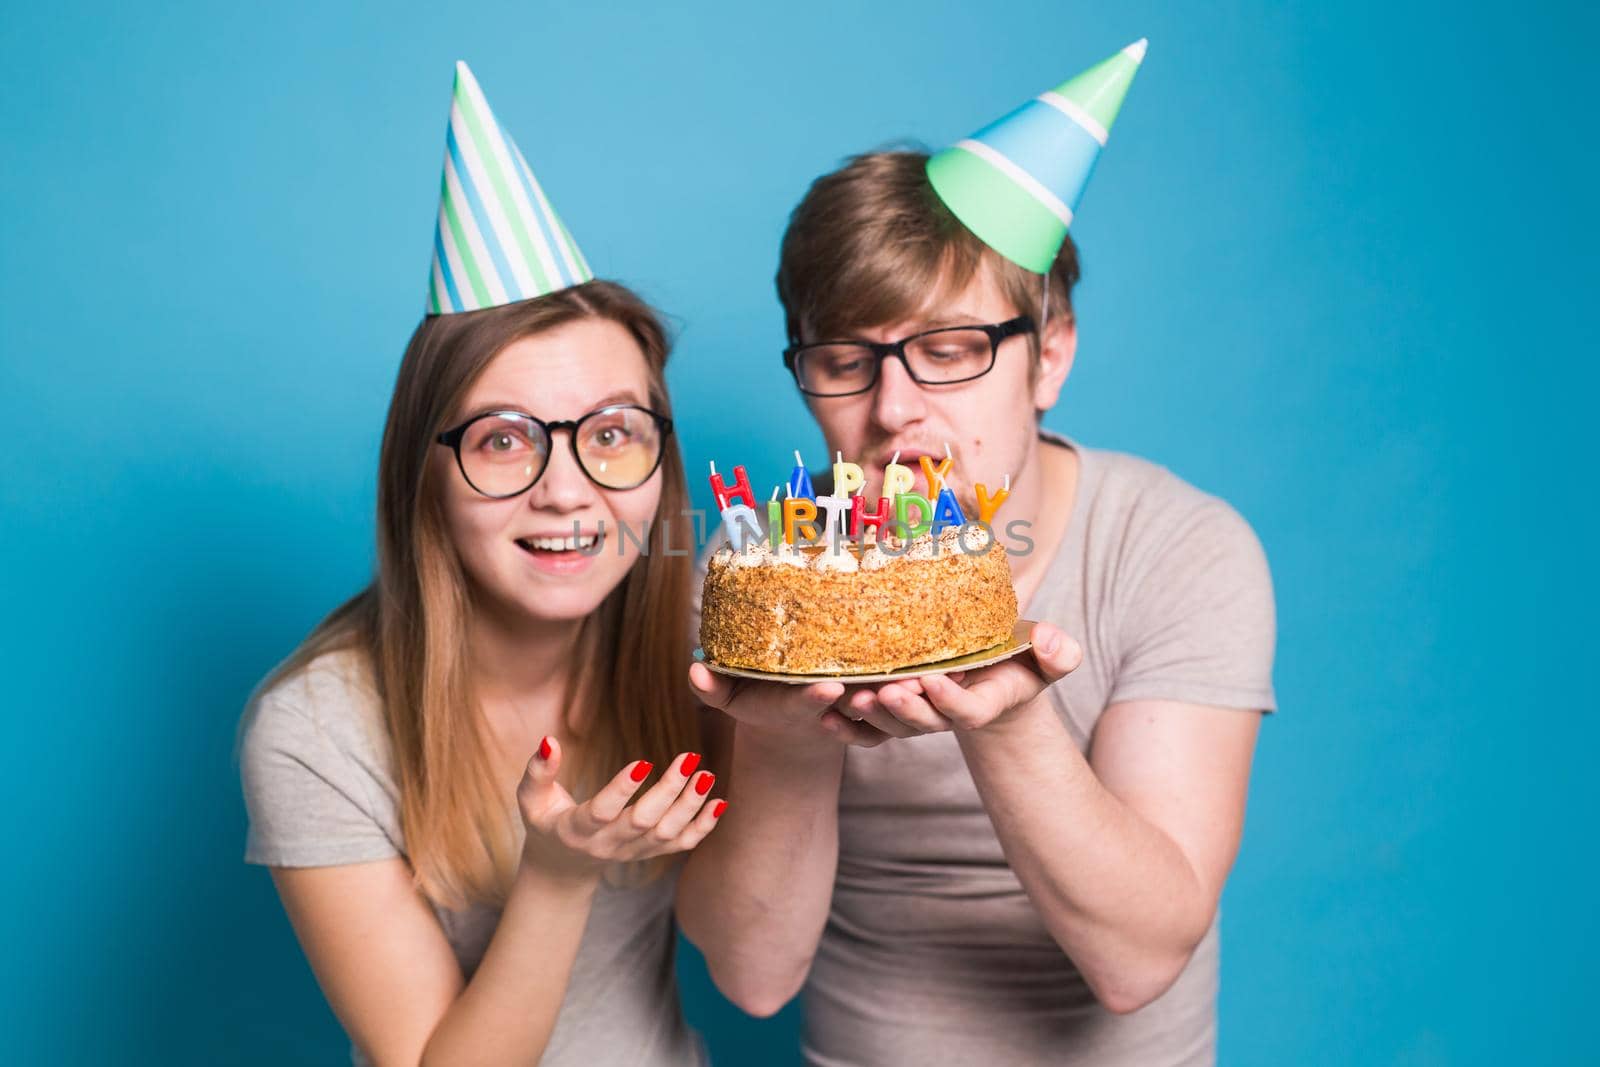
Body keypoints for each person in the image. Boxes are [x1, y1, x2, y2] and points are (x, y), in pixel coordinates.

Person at [679, 41, 1277, 1065]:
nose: (893, 408)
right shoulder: (757, 582)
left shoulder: (1178, 546)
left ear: (1048, 356)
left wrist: (1003, 713)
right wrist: (780, 734)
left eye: (949, 349)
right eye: (843, 361)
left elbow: (1139, 960)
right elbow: (753, 974)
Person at [237, 63, 723, 1066]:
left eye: (614, 432)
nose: (568, 488)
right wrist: (554, 875)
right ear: (425, 472)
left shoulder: (705, 644)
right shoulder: (317, 728)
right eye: (504, 439)